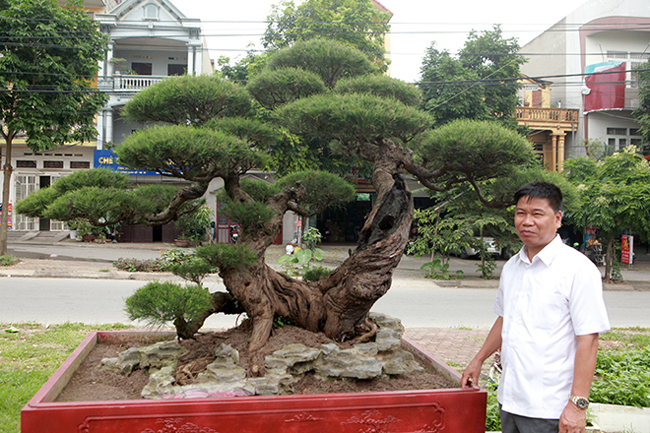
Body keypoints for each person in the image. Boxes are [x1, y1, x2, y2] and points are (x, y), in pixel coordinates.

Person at [461, 181, 610, 433]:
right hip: (509, 400)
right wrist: (478, 360)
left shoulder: (578, 269)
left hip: (550, 407)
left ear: (558, 218)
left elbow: (589, 339)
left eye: (537, 214)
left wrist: (577, 405)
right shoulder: (512, 267)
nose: (526, 221)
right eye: (521, 213)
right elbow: (505, 319)